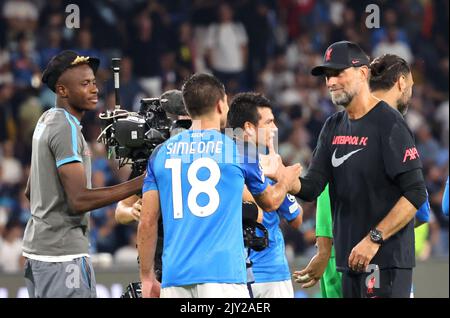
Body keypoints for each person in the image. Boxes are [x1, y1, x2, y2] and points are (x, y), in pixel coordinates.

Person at [138, 73, 301, 298]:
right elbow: (271, 202)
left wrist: (147, 276)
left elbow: (147, 221)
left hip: (175, 277)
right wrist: (286, 180)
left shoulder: (160, 153)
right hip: (224, 276)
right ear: (220, 103)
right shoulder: (239, 150)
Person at [293, 41, 427, 298]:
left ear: (363, 73)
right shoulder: (333, 125)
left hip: (384, 261)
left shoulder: (389, 123)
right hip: (349, 263)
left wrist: (373, 239)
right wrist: (286, 180)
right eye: (327, 76)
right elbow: (311, 188)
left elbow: (416, 193)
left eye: (338, 73)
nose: (330, 82)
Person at [22, 51, 144, 298]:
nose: (94, 89)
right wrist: (140, 182)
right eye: (85, 83)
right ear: (62, 90)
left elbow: (30, 190)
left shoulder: (47, 120)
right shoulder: (64, 127)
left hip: (42, 254)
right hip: (62, 258)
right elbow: (79, 200)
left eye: (94, 82)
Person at [228, 92, 303, 298]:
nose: (275, 129)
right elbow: (296, 218)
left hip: (228, 275)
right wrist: (283, 179)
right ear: (249, 128)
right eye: (269, 122)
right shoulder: (263, 164)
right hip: (270, 273)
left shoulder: (219, 161)